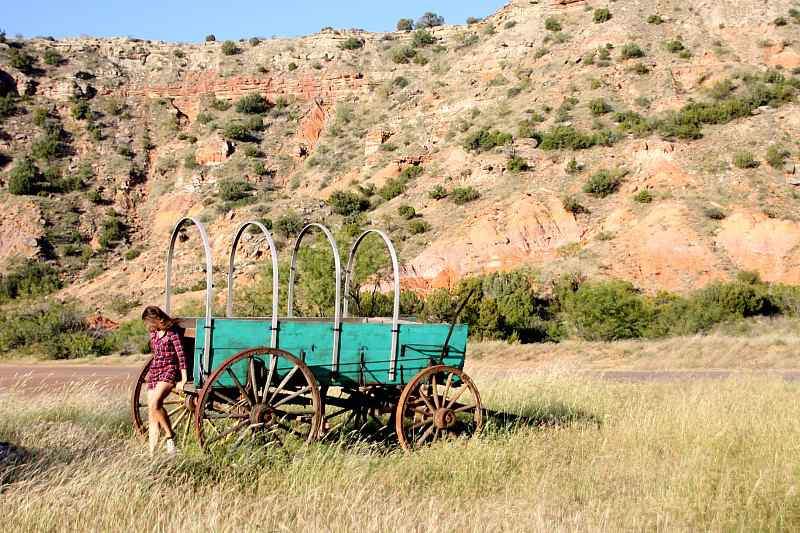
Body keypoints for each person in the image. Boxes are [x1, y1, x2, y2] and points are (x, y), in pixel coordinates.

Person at [141, 305, 187, 456]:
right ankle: (152, 454)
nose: (147, 326)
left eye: (148, 322)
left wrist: (184, 378)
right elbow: (155, 354)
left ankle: (170, 436)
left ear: (154, 319)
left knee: (155, 404)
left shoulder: (172, 332)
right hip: (155, 371)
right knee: (152, 413)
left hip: (169, 370)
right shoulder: (154, 333)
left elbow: (180, 355)